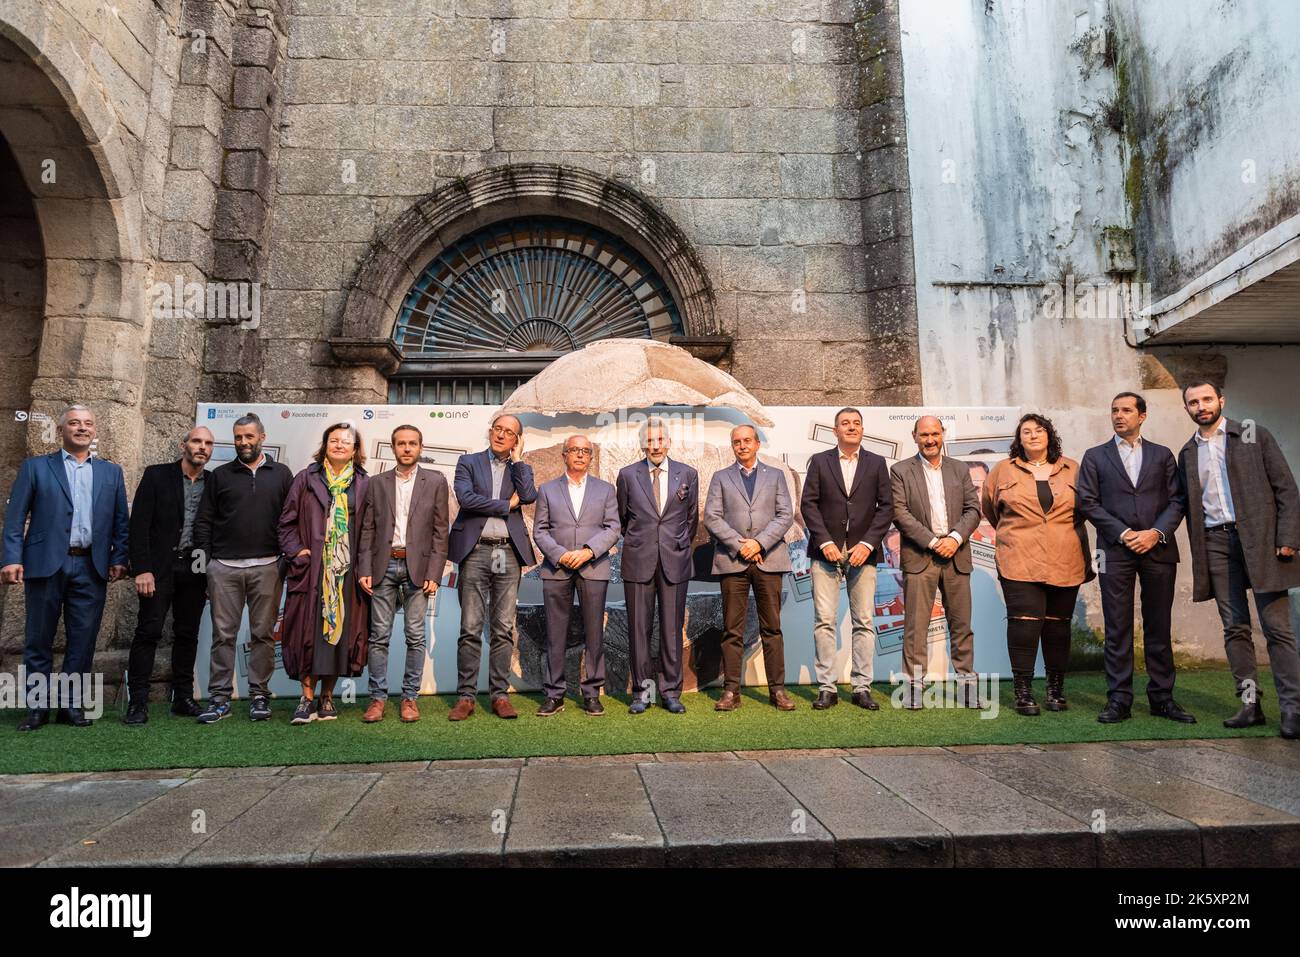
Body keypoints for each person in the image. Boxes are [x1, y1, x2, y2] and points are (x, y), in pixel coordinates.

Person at [1177, 381, 1300, 739]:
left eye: (1206, 399)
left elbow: (1287, 489)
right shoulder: (1187, 452)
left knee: (1278, 630)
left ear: (1220, 401)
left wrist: (1288, 539)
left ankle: (1293, 709)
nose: (1201, 406)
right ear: (1187, 408)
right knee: (1235, 628)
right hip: (1216, 542)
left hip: (1262, 541)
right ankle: (1251, 706)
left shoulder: (1251, 434)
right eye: (1193, 402)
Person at [2, 405, 129, 730]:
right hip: (45, 564)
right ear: (62, 430)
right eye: (74, 423)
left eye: (87, 423)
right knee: (38, 638)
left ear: (95, 431)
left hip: (92, 566)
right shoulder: (35, 468)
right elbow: (15, 519)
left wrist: (118, 558)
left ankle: (70, 706)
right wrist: (11, 558)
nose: (81, 428)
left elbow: (120, 523)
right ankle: (37, 708)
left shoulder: (111, 473)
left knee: (83, 640)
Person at [1078, 392, 1193, 724]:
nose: (1118, 415)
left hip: (1158, 549)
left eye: (1126, 410)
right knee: (1117, 626)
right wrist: (1126, 534)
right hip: (1114, 551)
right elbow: (1087, 502)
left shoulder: (1162, 455)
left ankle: (1162, 698)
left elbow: (1178, 500)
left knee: (1159, 624)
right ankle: (1119, 699)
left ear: (1142, 416)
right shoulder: (1095, 456)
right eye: (1114, 410)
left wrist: (1155, 533)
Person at [981, 413, 1094, 716]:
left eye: (1039, 430)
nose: (1032, 435)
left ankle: (1055, 690)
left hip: (1065, 557)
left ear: (1049, 436)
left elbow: (1086, 509)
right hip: (1019, 558)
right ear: (1018, 439)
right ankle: (1023, 691)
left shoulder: (1073, 469)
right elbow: (991, 509)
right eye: (1026, 431)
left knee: (1058, 627)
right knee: (1025, 626)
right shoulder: (1003, 471)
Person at [192, 413, 294, 724]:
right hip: (223, 568)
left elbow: (290, 519)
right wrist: (205, 565)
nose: (243, 442)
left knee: (263, 634)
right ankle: (219, 698)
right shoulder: (220, 475)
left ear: (261, 437)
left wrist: (285, 560)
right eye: (238, 437)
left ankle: (259, 696)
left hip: (268, 567)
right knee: (223, 635)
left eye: (249, 436)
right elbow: (203, 522)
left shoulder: (282, 474)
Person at [799, 407, 892, 711]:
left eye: (856, 423)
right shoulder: (820, 462)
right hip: (825, 554)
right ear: (835, 430)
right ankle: (827, 687)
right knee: (824, 622)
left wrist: (867, 543)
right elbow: (808, 505)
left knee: (864, 622)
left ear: (862, 430)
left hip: (863, 554)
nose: (851, 427)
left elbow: (886, 508)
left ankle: (861, 687)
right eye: (845, 424)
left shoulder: (877, 463)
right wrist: (825, 541)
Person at [279, 422, 372, 725]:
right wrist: (297, 552)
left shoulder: (364, 483)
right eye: (334, 440)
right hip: (313, 571)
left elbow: (371, 527)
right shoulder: (306, 478)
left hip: (345, 572)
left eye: (347, 441)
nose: (340, 445)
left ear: (356, 450)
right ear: (325, 444)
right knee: (308, 633)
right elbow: (286, 523)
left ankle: (327, 696)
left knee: (340, 634)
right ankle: (306, 699)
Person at [446, 413, 536, 721]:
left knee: (502, 628)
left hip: (508, 553)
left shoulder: (520, 468)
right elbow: (467, 499)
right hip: (476, 551)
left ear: (516, 440)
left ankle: (499, 695)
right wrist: (504, 506)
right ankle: (466, 697)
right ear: (490, 431)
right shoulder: (468, 463)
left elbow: (528, 496)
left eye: (509, 432)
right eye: (498, 429)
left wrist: (519, 459)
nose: (501, 435)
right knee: (470, 627)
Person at [889, 415, 982, 709]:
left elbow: (973, 509)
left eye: (935, 434)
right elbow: (900, 513)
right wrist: (932, 541)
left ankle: (967, 685)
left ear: (942, 434)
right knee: (916, 626)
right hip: (921, 555)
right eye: (924, 435)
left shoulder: (959, 468)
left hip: (956, 554)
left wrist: (954, 538)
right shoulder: (901, 470)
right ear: (914, 436)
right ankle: (915, 687)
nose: (930, 440)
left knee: (961, 625)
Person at [123, 426, 215, 724]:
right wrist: (142, 569)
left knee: (188, 634)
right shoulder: (156, 475)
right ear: (184, 444)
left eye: (208, 443)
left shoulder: (214, 483)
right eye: (197, 441)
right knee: (148, 632)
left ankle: (183, 698)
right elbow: (138, 526)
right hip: (158, 569)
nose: (202, 447)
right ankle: (137, 702)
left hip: (196, 570)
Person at [357, 425, 448, 723]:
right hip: (383, 566)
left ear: (420, 447)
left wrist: (435, 570)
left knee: (415, 636)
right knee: (379, 637)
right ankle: (377, 699)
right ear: (393, 447)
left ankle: (410, 698)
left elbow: (439, 531)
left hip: (419, 569)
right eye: (401, 444)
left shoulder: (435, 481)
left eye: (412, 443)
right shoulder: (376, 482)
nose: (407, 448)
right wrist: (365, 568)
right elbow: (367, 528)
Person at [703, 424, 796, 711]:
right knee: (732, 629)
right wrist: (739, 545)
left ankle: (777, 691)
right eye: (736, 442)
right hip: (732, 561)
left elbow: (785, 515)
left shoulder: (776, 475)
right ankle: (731, 691)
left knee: (772, 628)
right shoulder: (720, 477)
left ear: (757, 444)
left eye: (746, 441)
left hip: (769, 559)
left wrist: (758, 544)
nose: (741, 446)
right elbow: (712, 516)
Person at [531, 434, 621, 716]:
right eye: (574, 450)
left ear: (590, 457)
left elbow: (613, 528)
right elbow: (540, 531)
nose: (580, 455)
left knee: (594, 633)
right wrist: (560, 554)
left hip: (593, 567)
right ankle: (554, 694)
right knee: (555, 634)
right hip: (557, 569)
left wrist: (587, 552)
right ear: (564, 455)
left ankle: (592, 693)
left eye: (586, 451)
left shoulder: (606, 490)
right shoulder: (547, 489)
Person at [616, 417, 699, 714]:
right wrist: (644, 543)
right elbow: (624, 521)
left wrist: (672, 545)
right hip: (639, 561)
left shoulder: (687, 474)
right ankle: (641, 693)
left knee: (672, 629)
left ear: (668, 442)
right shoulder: (627, 475)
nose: (655, 445)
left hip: (674, 562)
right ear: (642, 444)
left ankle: (670, 692)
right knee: (638, 629)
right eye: (649, 440)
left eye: (659, 440)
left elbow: (691, 521)